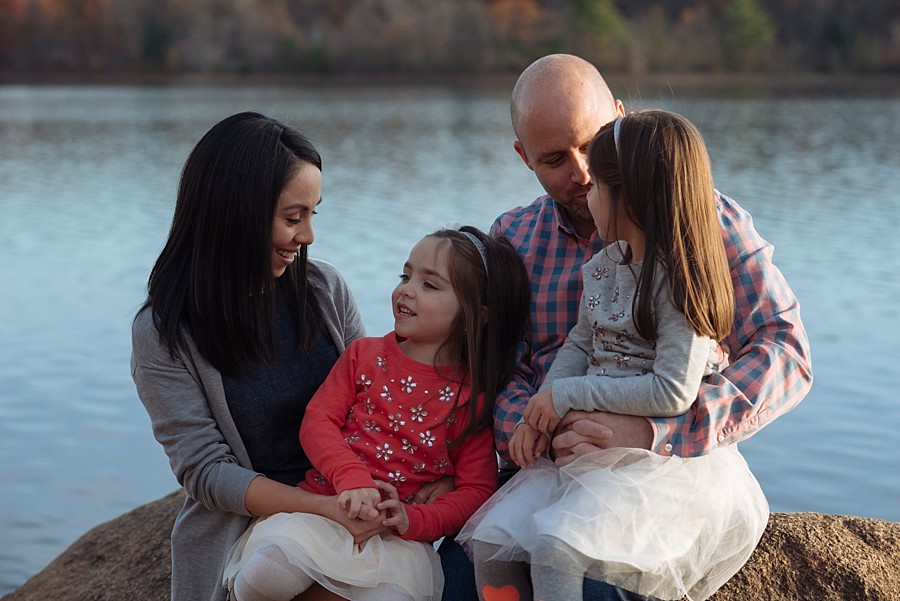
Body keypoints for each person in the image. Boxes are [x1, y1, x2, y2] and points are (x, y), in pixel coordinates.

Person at [438, 54, 812, 600]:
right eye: (554, 159)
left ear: (620, 117)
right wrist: (547, 427)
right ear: (524, 159)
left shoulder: (699, 222)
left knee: (591, 582)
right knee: (456, 574)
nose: (582, 173)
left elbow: (786, 351)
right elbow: (497, 372)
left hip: (659, 473)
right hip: (549, 466)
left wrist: (655, 433)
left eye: (592, 145)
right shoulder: (514, 239)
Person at [132, 111, 375, 601]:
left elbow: (373, 402)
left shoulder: (324, 289)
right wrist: (317, 508)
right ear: (237, 212)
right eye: (292, 217)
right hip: (249, 531)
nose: (307, 236)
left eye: (312, 214)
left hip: (346, 499)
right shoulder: (163, 332)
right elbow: (206, 473)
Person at [220, 226, 531, 601]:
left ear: (475, 314)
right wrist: (350, 478)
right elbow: (318, 422)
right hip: (324, 511)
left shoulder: (472, 398)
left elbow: (476, 489)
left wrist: (413, 519)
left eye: (430, 285)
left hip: (396, 540)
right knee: (263, 578)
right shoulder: (364, 356)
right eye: (406, 275)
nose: (406, 290)